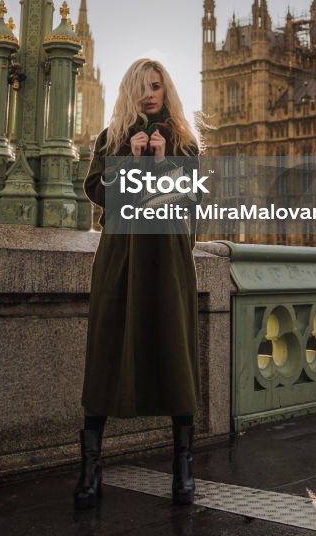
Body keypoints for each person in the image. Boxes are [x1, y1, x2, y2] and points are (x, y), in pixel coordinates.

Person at [74, 58, 201, 509]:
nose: (150, 93)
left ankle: (183, 468)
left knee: (175, 355)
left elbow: (192, 200)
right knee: (106, 352)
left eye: (157, 85)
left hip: (167, 258)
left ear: (166, 91)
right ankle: (90, 469)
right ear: (129, 90)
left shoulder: (184, 143)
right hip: (121, 256)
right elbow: (96, 190)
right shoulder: (109, 140)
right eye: (142, 86)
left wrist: (164, 162)